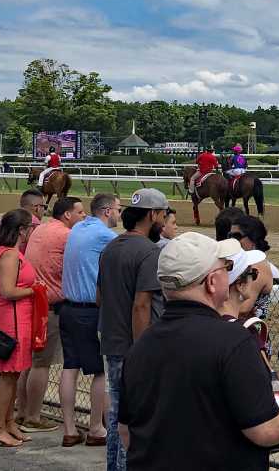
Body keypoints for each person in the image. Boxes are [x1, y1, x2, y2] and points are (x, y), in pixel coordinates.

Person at [118, 231, 279, 470]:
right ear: (211, 282)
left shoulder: (141, 346)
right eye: (226, 268)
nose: (230, 274)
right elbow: (265, 430)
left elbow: (126, 433)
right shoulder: (233, 341)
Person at [98, 188, 170, 471]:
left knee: (117, 414)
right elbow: (142, 305)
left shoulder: (111, 246)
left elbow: (99, 297)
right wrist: (143, 352)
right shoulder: (150, 252)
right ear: (152, 215)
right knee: (135, 421)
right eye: (162, 215)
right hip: (134, 348)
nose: (164, 222)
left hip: (111, 342)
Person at [17, 196, 85, 433]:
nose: (83, 217)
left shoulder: (40, 228)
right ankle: (33, 417)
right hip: (48, 306)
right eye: (80, 212)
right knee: (42, 364)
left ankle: (23, 411)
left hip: (32, 301)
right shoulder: (68, 236)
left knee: (29, 362)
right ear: (67, 215)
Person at [59, 193, 119, 448]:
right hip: (88, 311)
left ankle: (70, 429)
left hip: (68, 308)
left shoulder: (78, 228)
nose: (119, 214)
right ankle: (96, 428)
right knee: (99, 371)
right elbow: (127, 249)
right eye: (118, 209)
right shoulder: (105, 235)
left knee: (70, 367)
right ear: (107, 211)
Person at [0, 208, 41, 448]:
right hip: (12, 321)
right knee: (8, 377)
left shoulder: (9, 253)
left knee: (13, 375)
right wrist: (35, 290)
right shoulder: (9, 255)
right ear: (21, 230)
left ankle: (8, 422)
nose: (31, 232)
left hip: (18, 319)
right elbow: (8, 291)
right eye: (30, 228)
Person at [229, 215, 279, 321]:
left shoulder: (258, 266)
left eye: (237, 236)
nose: (232, 241)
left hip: (248, 329)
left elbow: (244, 309)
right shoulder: (243, 262)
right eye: (230, 236)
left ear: (253, 239)